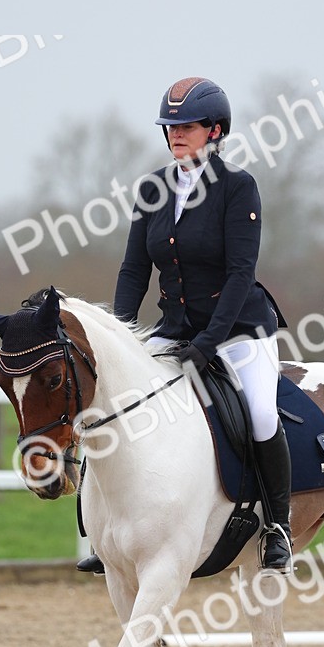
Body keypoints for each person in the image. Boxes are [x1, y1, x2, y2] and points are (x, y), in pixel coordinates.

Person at [78, 76, 292, 574]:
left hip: (239, 331)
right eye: (171, 126)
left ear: (215, 131)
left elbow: (240, 274)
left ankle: (277, 528)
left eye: (187, 126)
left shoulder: (238, 187)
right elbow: (135, 269)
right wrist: (120, 337)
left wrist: (209, 342)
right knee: (113, 400)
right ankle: (103, 531)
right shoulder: (152, 189)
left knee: (262, 413)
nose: (176, 133)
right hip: (175, 327)